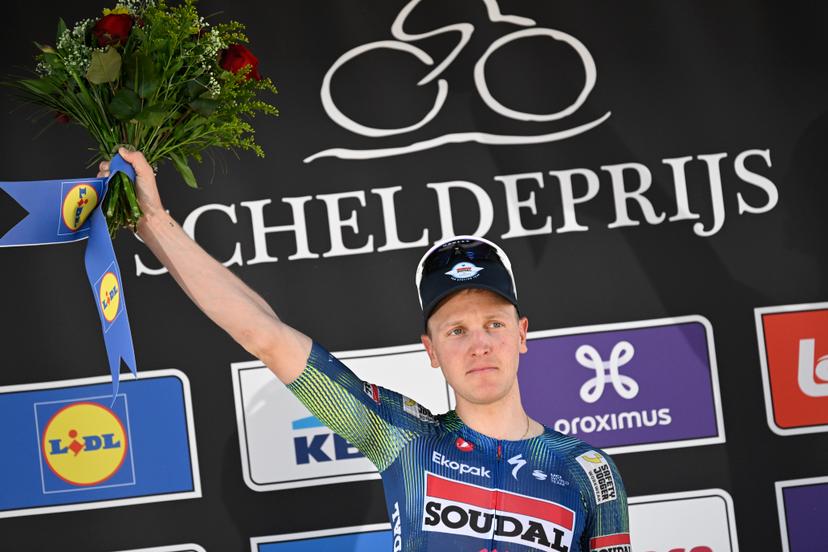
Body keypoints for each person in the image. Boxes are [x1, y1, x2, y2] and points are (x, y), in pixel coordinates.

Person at [99, 148, 630, 552]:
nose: (480, 345)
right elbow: (264, 333)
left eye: (494, 323)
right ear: (430, 350)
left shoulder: (588, 471)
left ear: (522, 334)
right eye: (456, 331)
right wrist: (152, 222)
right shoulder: (402, 436)